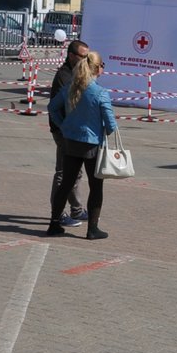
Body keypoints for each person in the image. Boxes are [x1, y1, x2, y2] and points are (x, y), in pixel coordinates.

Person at [47, 51, 117, 240]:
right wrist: (104, 128)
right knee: (96, 187)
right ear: (96, 68)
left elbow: (52, 107)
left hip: (70, 141)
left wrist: (63, 125)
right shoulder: (101, 93)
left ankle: (54, 224)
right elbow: (111, 125)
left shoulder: (70, 86)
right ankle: (92, 229)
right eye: (103, 66)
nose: (103, 69)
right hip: (92, 144)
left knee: (66, 183)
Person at [48, 39, 90, 227]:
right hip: (64, 131)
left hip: (73, 131)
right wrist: (63, 128)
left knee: (75, 173)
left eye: (87, 56)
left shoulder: (77, 72)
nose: (85, 60)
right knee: (63, 172)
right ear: (72, 56)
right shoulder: (64, 76)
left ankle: (76, 209)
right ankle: (57, 213)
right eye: (83, 56)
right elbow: (56, 107)